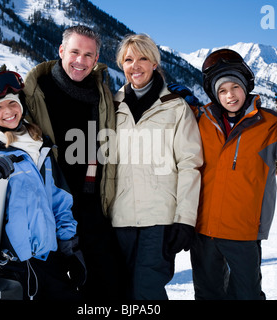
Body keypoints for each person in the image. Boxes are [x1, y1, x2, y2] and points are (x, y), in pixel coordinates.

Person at [0, 26, 125, 300]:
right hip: (45, 204)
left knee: (108, 283)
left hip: (86, 203)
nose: (80, 61)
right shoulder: (32, 90)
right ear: (61, 51)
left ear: (96, 59)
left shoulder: (103, 94)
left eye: (88, 54)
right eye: (74, 52)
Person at [169, 49, 277, 300]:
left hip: (244, 231)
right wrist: (185, 108)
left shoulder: (269, 124)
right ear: (214, 94)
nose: (230, 96)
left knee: (246, 294)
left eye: (235, 87)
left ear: (245, 86)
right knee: (207, 294)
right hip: (203, 229)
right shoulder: (201, 120)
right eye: (222, 91)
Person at [0, 70, 83, 300]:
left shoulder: (41, 147)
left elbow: (59, 201)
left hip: (49, 260)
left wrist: (68, 242)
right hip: (11, 266)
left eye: (12, 103)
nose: (8, 112)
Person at [112, 33, 203, 300]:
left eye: (143, 58)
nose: (135, 65)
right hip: (119, 219)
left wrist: (185, 220)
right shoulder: (111, 106)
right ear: (122, 65)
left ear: (154, 63)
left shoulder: (175, 107)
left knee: (147, 292)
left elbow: (190, 165)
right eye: (129, 59)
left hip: (160, 220)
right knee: (120, 292)